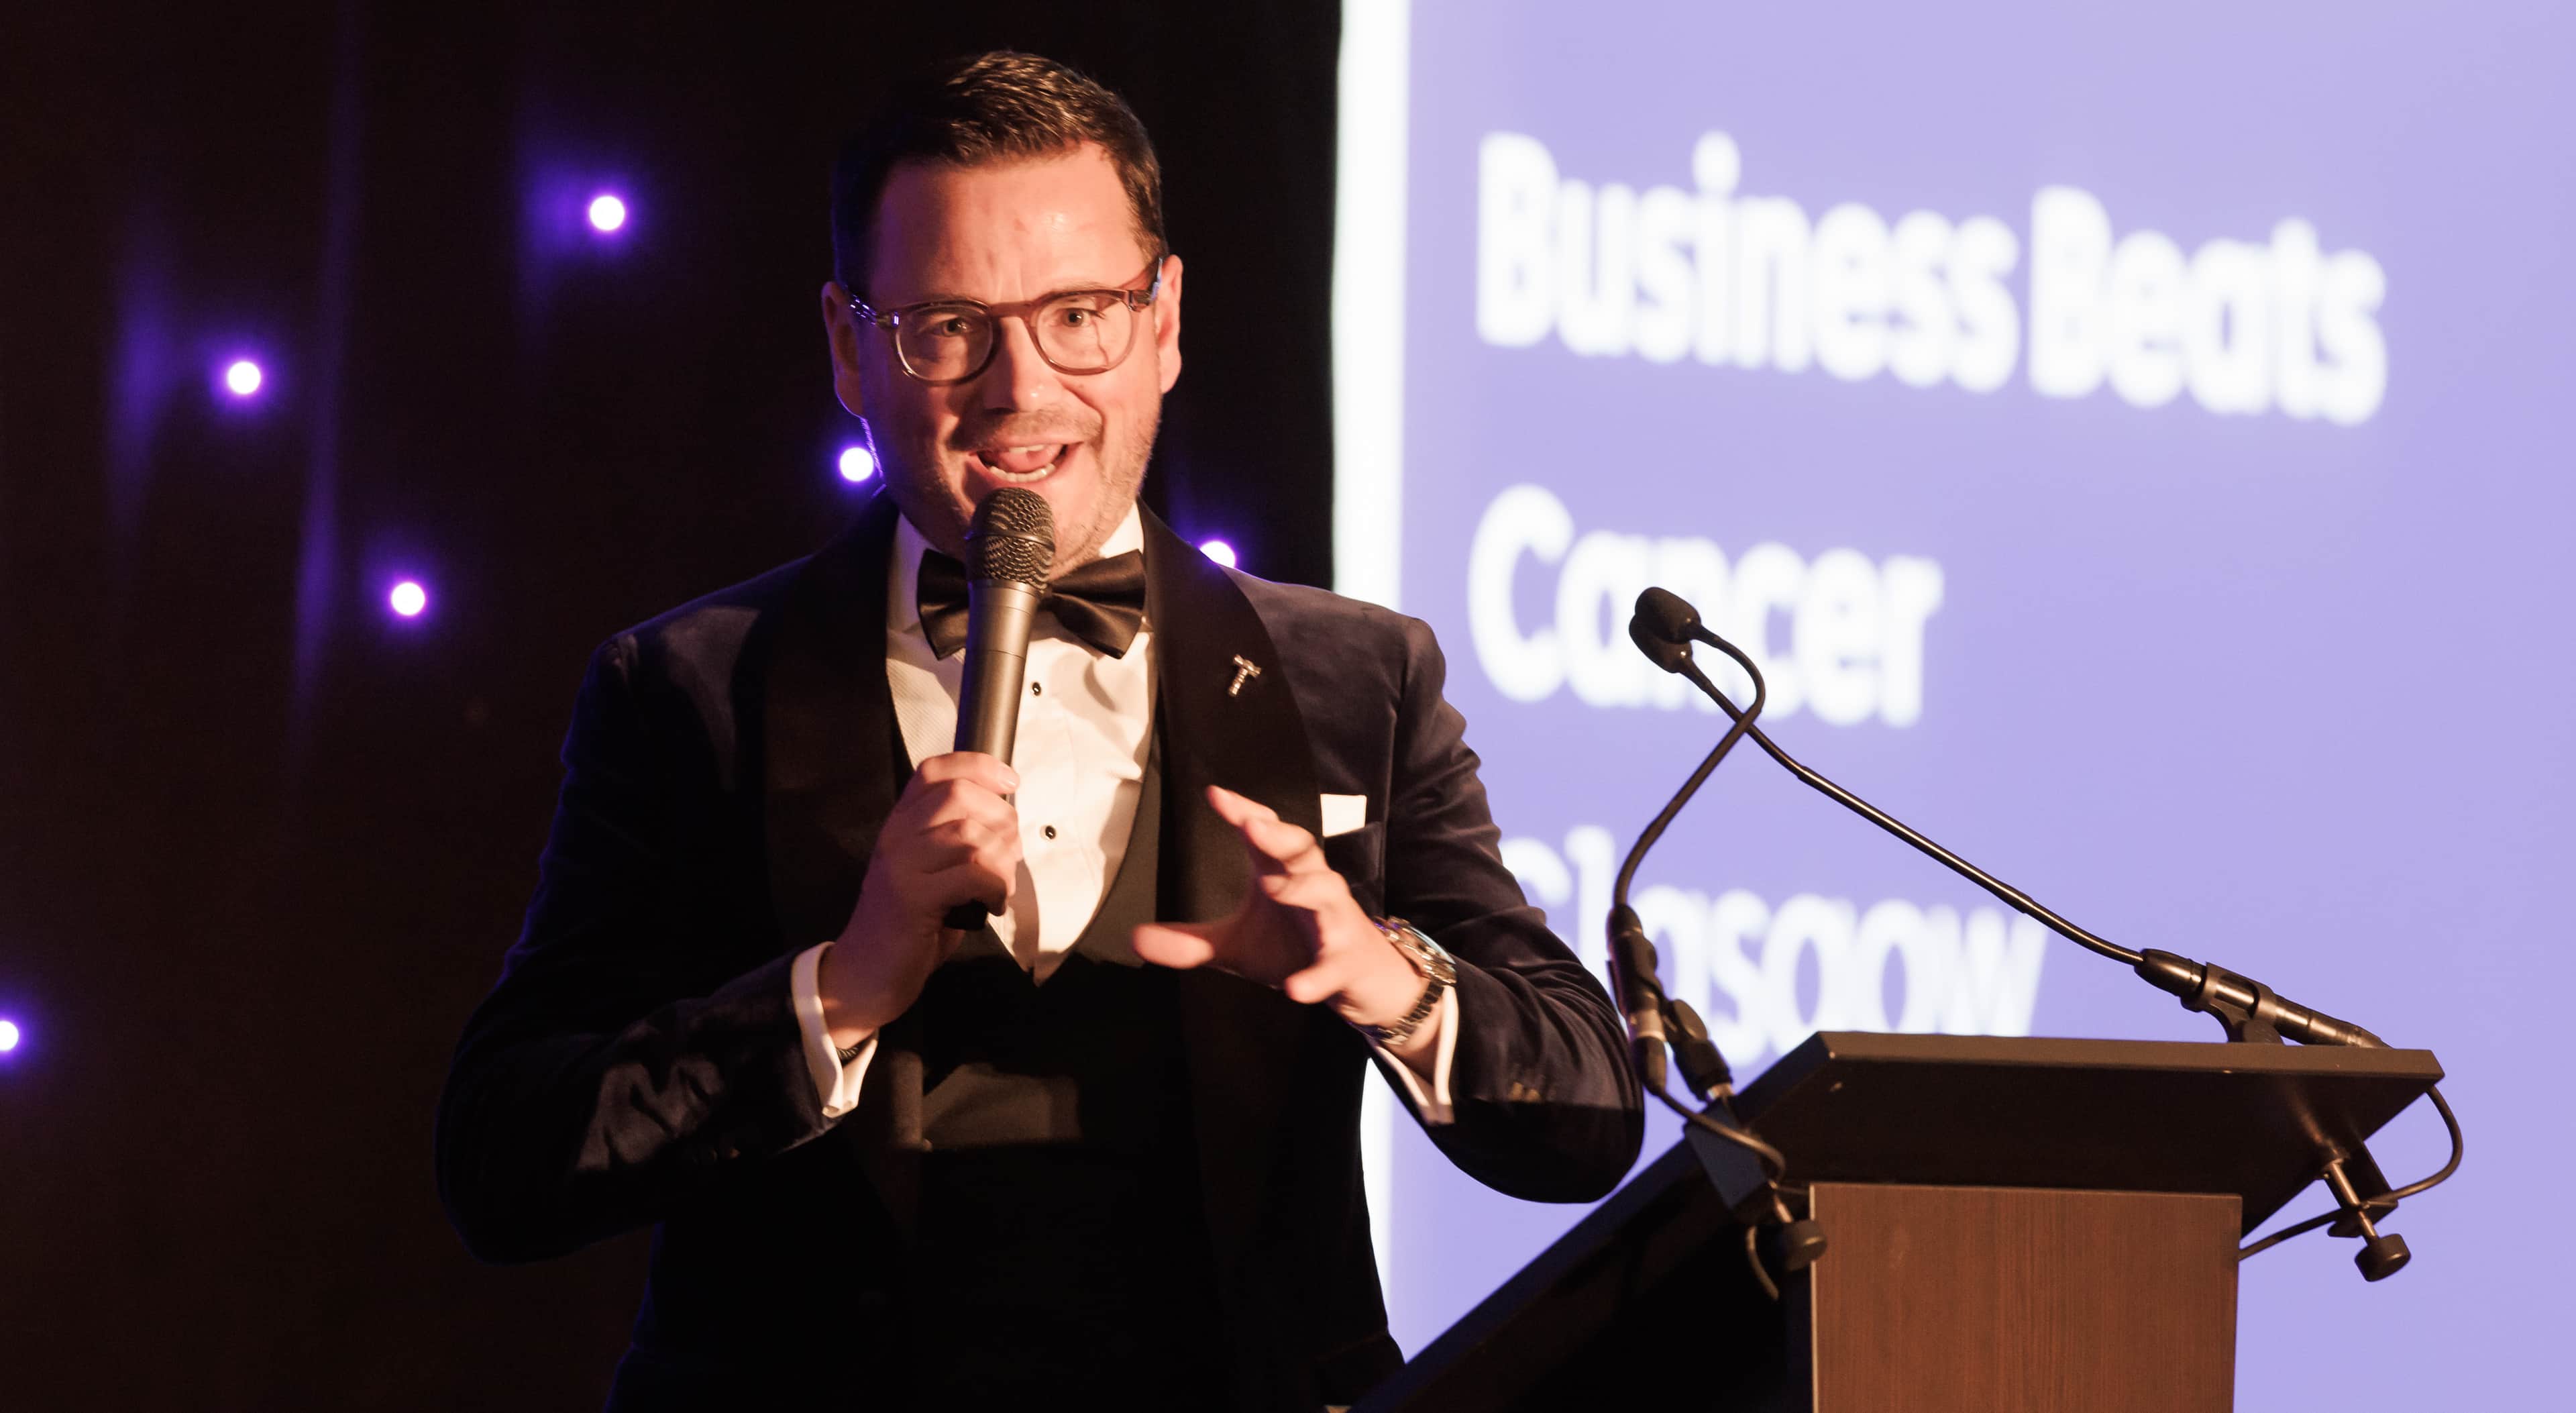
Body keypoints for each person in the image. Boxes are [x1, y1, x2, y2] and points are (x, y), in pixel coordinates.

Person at [435, 50, 1641, 1413]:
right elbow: (505, 1161)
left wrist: (1376, 975)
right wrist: (840, 990)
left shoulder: (1357, 678)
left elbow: (1585, 1119)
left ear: (1166, 319)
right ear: (849, 345)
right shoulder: (692, 690)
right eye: (948, 326)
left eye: (1079, 314)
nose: (1020, 389)